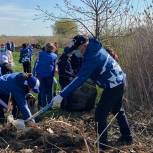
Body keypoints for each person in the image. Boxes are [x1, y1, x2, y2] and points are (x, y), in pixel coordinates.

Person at [52, 35, 133, 150]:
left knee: (100, 114)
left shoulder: (92, 57)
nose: (77, 52)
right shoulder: (94, 48)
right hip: (119, 81)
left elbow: (79, 79)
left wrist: (62, 95)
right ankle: (127, 137)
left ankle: (103, 145)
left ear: (84, 45)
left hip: (114, 85)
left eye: (78, 49)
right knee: (118, 110)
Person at [34, 43, 57, 108]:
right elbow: (55, 66)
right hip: (49, 75)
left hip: (40, 75)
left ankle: (43, 105)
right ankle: (50, 105)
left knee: (42, 90)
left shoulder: (40, 54)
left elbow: (36, 62)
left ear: (46, 48)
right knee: (49, 90)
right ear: (53, 48)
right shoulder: (54, 55)